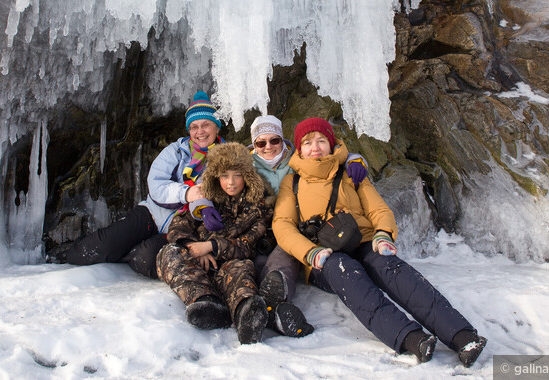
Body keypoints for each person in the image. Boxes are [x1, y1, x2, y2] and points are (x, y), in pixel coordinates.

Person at [273, 117, 488, 367]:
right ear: (299, 148)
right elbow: (282, 224)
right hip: (323, 253)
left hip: (362, 239)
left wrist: (383, 234)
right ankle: (411, 338)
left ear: (332, 144)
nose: (315, 147)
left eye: (321, 140)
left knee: (392, 269)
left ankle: (462, 336)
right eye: (308, 142)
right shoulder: (293, 181)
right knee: (348, 273)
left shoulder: (351, 172)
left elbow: (377, 209)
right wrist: (310, 253)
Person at [64, 91, 223, 278]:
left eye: (206, 125)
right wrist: (186, 193)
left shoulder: (224, 158)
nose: (200, 132)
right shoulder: (176, 151)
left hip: (183, 227)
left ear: (217, 127)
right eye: (194, 127)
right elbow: (156, 185)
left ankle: (128, 251)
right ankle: (65, 253)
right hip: (152, 213)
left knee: (146, 260)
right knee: (99, 246)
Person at [250, 114, 366, 337]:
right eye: (260, 143)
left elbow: (327, 159)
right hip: (259, 232)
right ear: (253, 145)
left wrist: (354, 158)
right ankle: (265, 308)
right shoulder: (245, 166)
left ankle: (276, 294)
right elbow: (217, 178)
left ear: (283, 141)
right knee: (258, 263)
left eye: (274, 140)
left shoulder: (296, 161)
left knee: (285, 256)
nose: (268, 147)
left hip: (292, 229)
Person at [156, 142, 279, 344]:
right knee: (168, 254)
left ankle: (246, 312)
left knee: (242, 271)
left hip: (231, 262)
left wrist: (212, 247)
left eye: (237, 175)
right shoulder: (204, 197)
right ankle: (206, 303)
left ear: (247, 176)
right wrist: (194, 247)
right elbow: (179, 225)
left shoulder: (259, 206)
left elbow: (247, 245)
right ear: (215, 176)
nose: (231, 182)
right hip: (197, 260)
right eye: (224, 176)